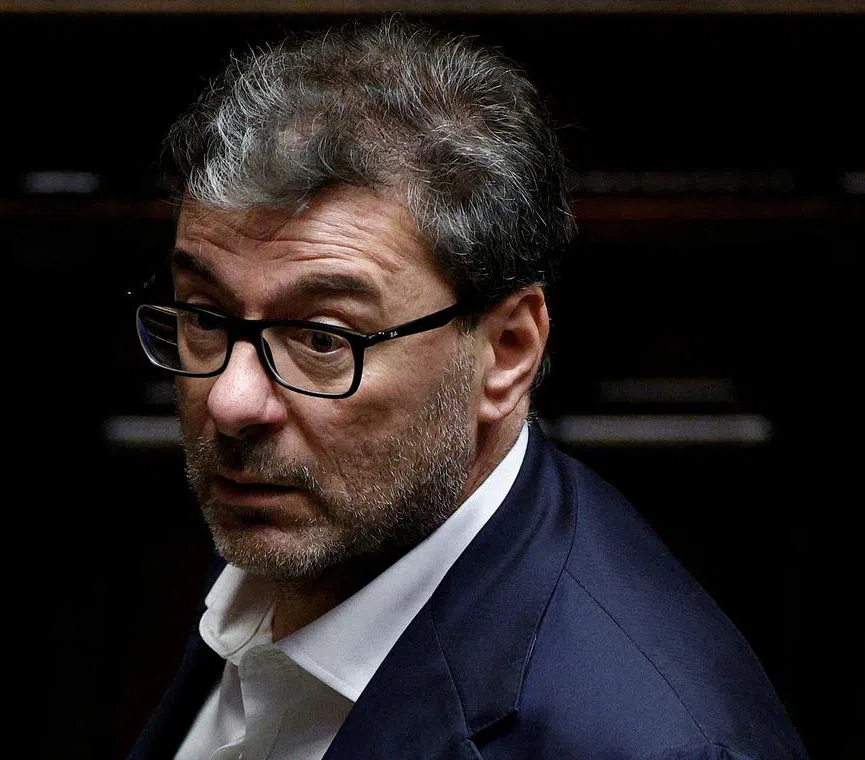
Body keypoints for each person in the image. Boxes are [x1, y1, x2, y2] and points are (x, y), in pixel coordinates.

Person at [126, 17, 806, 760]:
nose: (229, 402)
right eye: (206, 316)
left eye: (324, 339)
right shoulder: (306, 532)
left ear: (507, 351)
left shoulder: (649, 742)